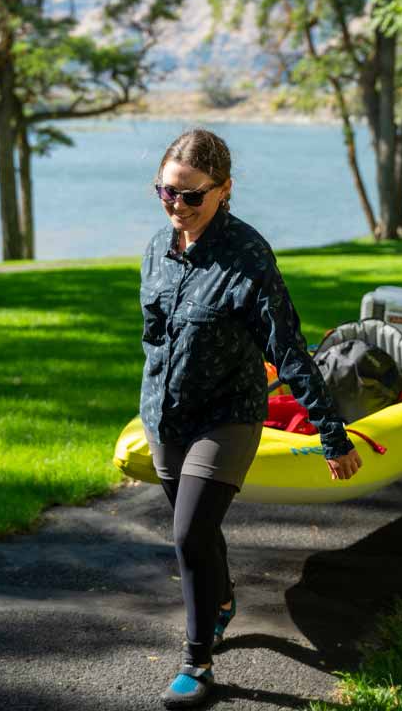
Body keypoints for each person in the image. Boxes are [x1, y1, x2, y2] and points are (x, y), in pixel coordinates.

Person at [139, 129, 363, 708]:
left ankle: (197, 662)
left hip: (229, 413)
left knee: (188, 533)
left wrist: (330, 434)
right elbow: (155, 338)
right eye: (167, 193)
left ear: (224, 190)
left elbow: (287, 348)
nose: (177, 207)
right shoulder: (155, 250)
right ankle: (218, 600)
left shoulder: (247, 254)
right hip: (167, 415)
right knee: (201, 531)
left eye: (191, 196)